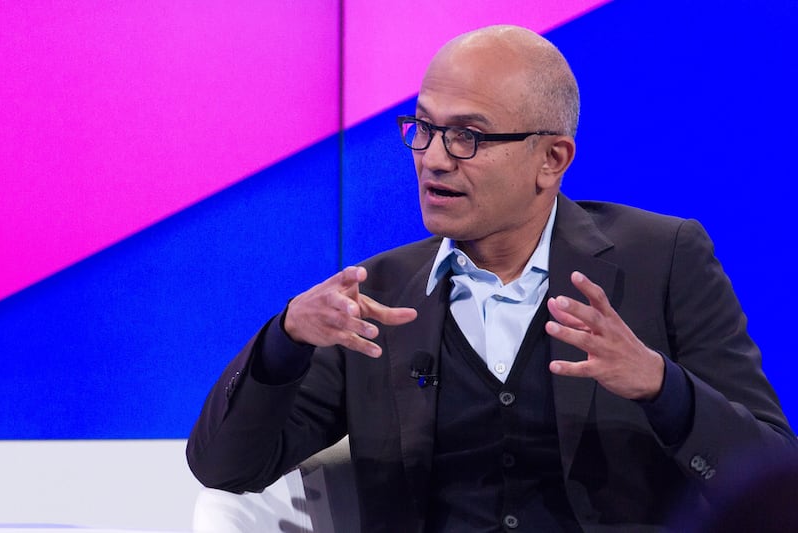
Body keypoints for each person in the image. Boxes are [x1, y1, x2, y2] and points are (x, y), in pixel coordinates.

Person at [187, 25, 796, 531]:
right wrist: (283, 341)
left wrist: (662, 387)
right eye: (423, 129)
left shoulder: (662, 260)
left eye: (468, 137)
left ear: (551, 160)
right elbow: (225, 470)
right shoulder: (378, 298)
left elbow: (774, 481)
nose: (434, 157)